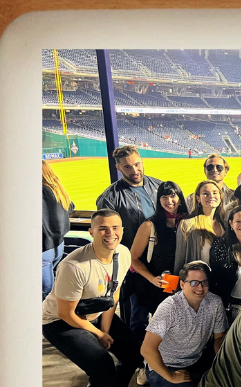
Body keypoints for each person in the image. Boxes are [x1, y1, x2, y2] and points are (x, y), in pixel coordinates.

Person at [42, 210, 145, 387]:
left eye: (115, 228)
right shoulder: (74, 266)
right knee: (102, 367)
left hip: (96, 312)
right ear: (91, 232)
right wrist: (98, 333)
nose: (110, 234)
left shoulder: (123, 253)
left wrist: (106, 330)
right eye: (103, 229)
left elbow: (113, 294)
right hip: (60, 322)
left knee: (133, 352)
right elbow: (66, 313)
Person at [140, 261, 226, 387]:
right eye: (193, 282)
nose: (200, 288)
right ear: (182, 284)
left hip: (195, 360)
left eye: (204, 282)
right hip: (164, 364)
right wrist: (171, 376)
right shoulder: (170, 307)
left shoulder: (215, 302)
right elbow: (147, 349)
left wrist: (223, 362)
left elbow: (219, 337)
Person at [95, 145, 163, 340]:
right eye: (127, 167)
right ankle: (138, 358)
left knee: (164, 310)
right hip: (132, 265)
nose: (135, 170)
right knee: (137, 314)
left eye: (137, 164)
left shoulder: (158, 186)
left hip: (161, 262)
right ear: (118, 168)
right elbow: (106, 236)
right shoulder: (110, 197)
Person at [130, 181, 189, 319]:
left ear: (180, 199)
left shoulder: (188, 223)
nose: (169, 201)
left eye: (172, 196)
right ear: (158, 200)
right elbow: (133, 258)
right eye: (164, 197)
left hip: (180, 285)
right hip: (155, 286)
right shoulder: (149, 225)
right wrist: (152, 279)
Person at [174, 180, 226, 273]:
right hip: (200, 282)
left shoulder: (225, 224)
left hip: (224, 280)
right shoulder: (187, 225)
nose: (211, 196)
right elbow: (180, 259)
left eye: (215, 193)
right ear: (198, 198)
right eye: (206, 193)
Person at [43, 159, 74, 300]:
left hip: (43, 248)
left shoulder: (34, 189)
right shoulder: (57, 188)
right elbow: (70, 207)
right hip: (58, 246)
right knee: (49, 290)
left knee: (45, 293)